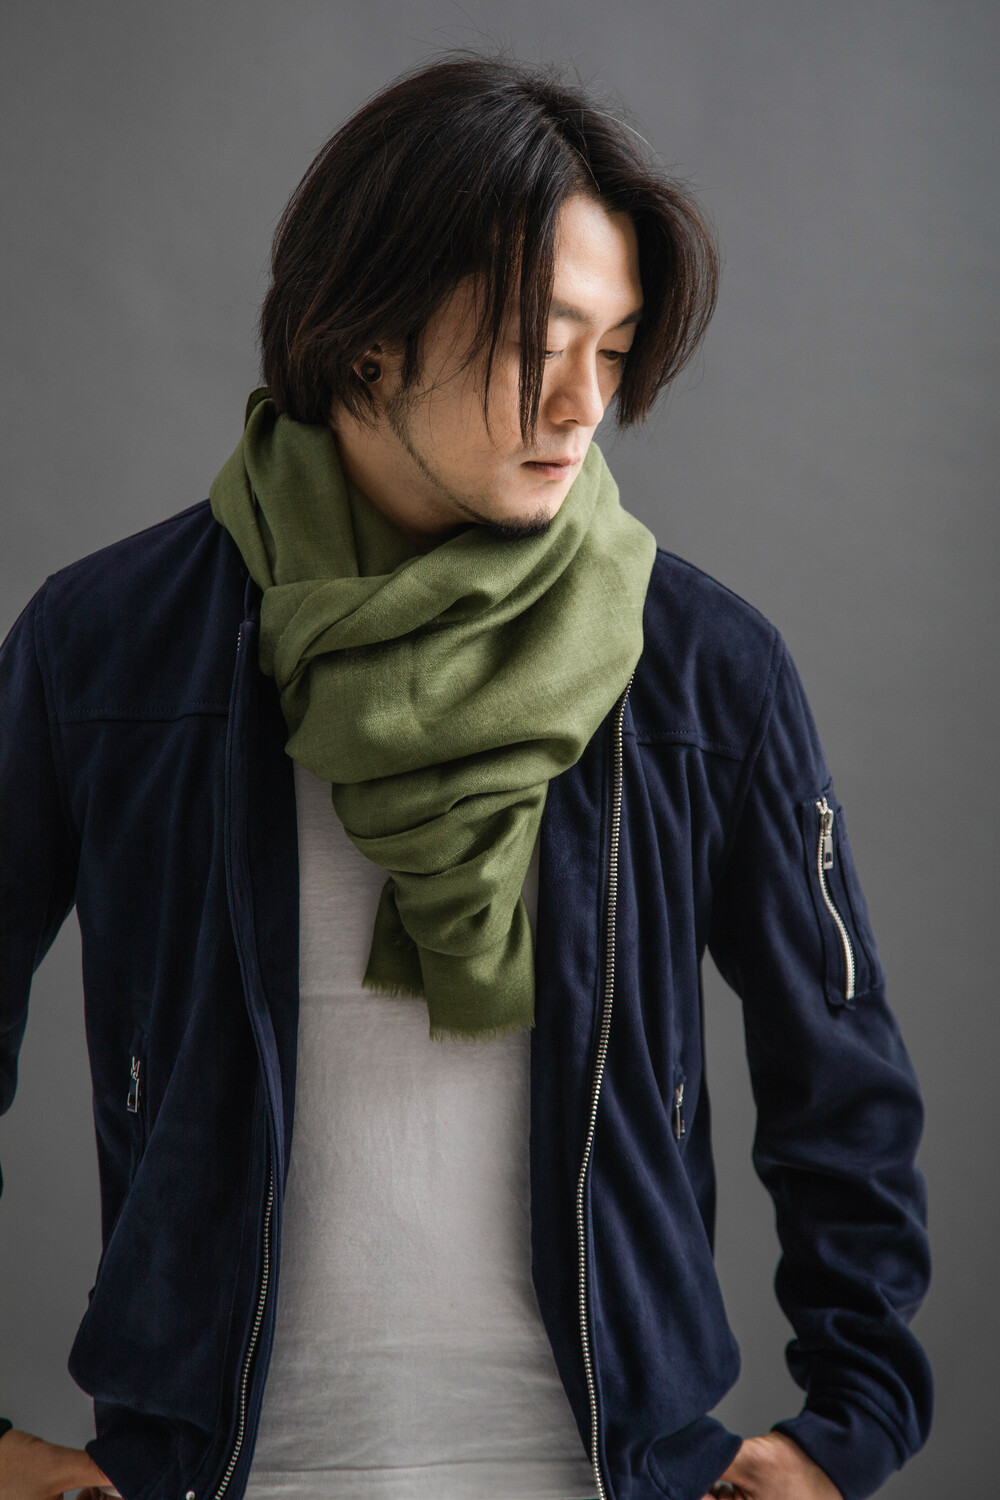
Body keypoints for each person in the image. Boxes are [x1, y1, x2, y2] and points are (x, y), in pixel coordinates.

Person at [0, 52, 931, 1500]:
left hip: (608, 1471)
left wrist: (849, 1422)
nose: (583, 404)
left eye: (614, 350)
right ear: (365, 337)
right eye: (539, 342)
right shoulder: (108, 650)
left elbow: (842, 1069)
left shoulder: (703, 669)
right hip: (215, 1471)